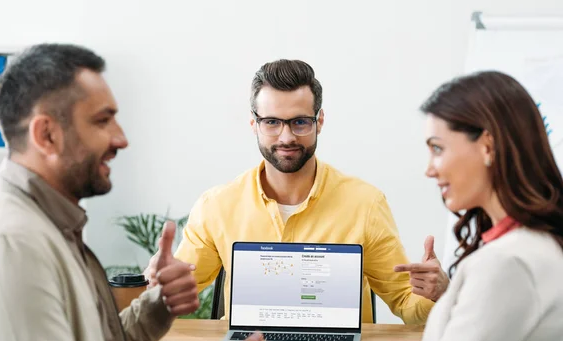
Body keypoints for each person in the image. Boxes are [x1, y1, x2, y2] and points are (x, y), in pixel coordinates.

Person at [0, 43, 265, 341]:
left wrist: (160, 304)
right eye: (102, 120)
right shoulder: (12, 244)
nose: (121, 138)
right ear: (47, 135)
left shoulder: (48, 226)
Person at [243, 70, 563, 341]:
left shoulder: (506, 265)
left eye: (438, 149)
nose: (429, 168)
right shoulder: (537, 244)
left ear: (487, 147)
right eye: (272, 122)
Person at [145, 59, 447, 324]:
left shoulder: (365, 204)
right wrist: (159, 285)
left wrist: (437, 294)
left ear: (320, 121)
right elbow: (174, 298)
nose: (286, 136)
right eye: (272, 122)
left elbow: (407, 305)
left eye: (300, 122)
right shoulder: (217, 206)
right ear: (254, 124)